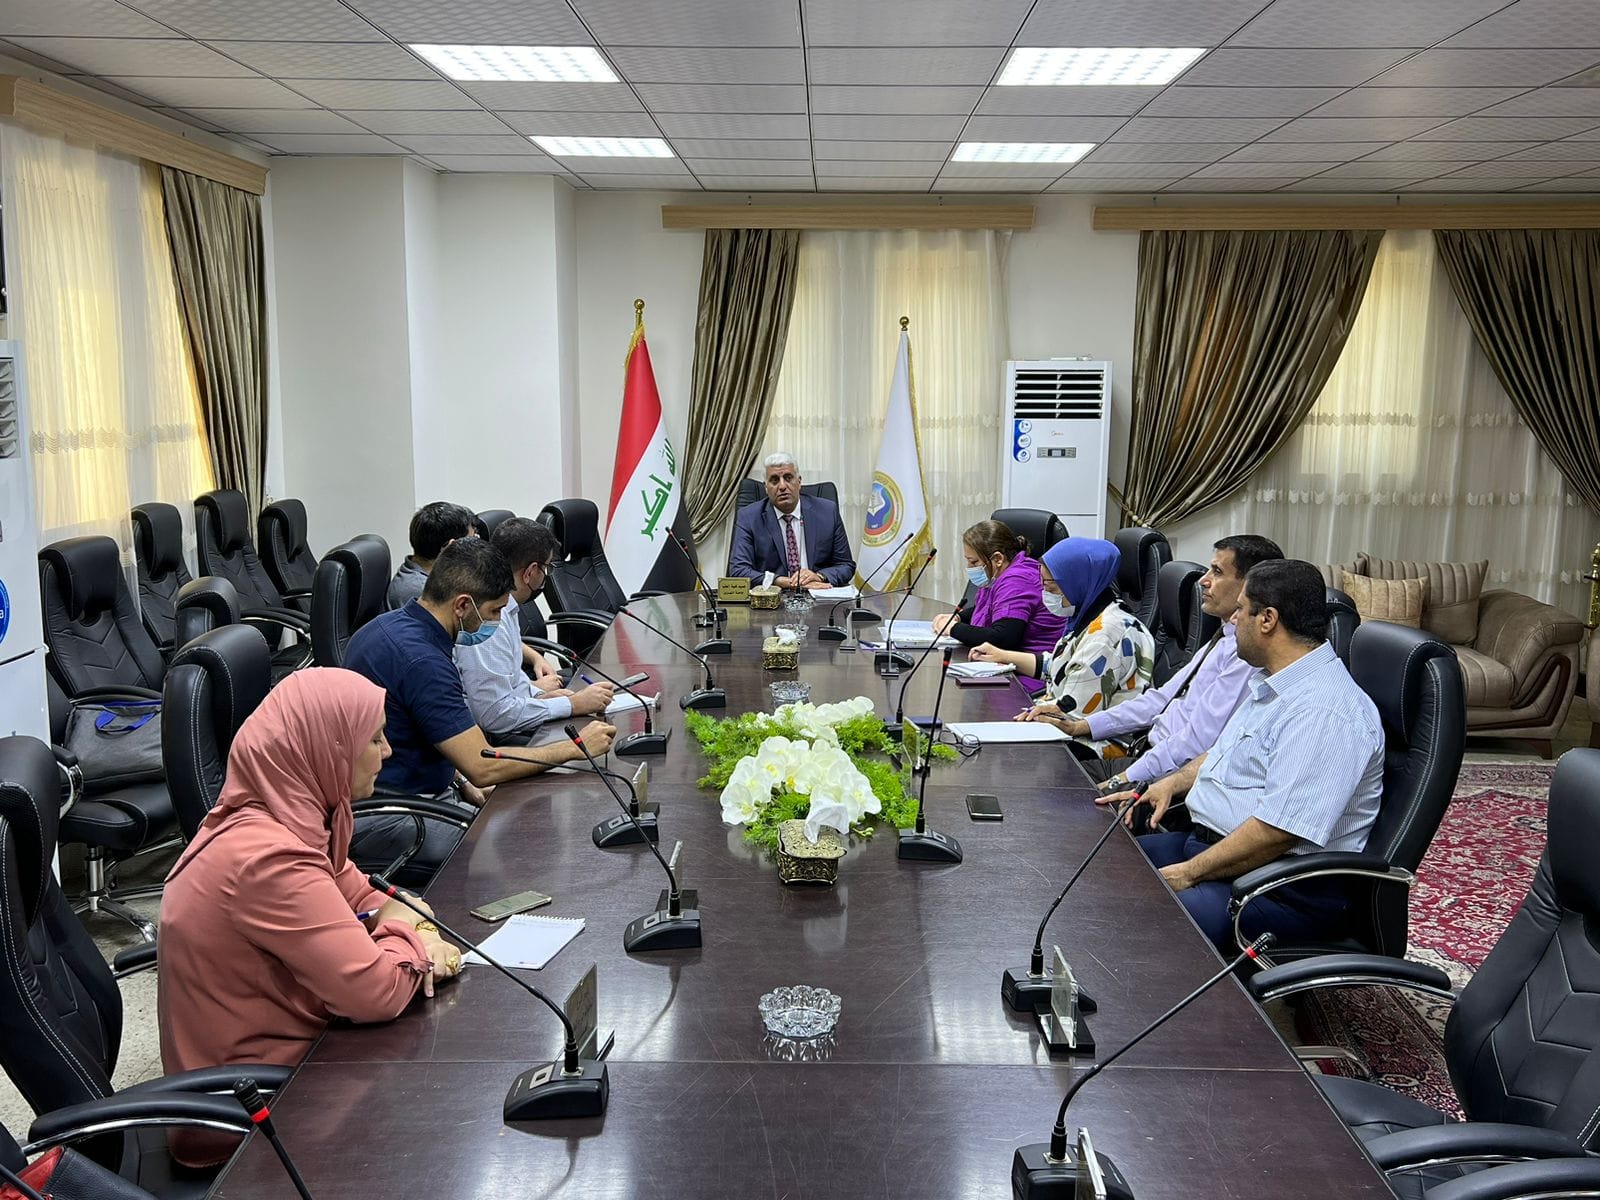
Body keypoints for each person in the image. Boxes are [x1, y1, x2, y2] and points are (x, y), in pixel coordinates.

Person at [157, 668, 463, 1168]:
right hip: (252, 1121)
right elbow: (376, 992)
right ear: (328, 747)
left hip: (298, 1069)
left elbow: (359, 889)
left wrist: (406, 924)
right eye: (374, 738)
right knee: (440, 1135)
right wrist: (416, 940)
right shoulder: (266, 859)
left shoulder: (292, 814)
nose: (387, 752)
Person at [1101, 559, 1384, 951]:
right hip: (1214, 852)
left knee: (1133, 921)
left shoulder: (1324, 711)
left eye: (1240, 610)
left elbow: (1277, 831)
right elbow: (1225, 752)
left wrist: (1189, 873)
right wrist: (1170, 783)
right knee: (1098, 863)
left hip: (1275, 886)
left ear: (1267, 619)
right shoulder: (1273, 681)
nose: (1232, 620)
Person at [344, 537, 616, 882]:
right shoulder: (423, 661)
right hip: (392, 812)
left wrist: (457, 781)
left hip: (409, 793)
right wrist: (575, 749)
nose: (498, 621)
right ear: (462, 606)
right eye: (494, 612)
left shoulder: (388, 627)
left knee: (518, 811)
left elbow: (420, 730)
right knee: (511, 853)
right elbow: (482, 766)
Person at [1050, 535, 1283, 789]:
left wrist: (1124, 778)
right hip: (1148, 756)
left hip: (1169, 778)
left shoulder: (1246, 656)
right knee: (1052, 774)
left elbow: (1198, 742)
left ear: (1250, 586)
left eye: (1217, 572)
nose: (1204, 581)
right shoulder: (1224, 636)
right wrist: (1080, 726)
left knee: (1060, 787)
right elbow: (1160, 699)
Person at [457, 517, 615, 743]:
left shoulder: (506, 606)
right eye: (547, 568)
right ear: (530, 572)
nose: (547, 576)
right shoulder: (487, 618)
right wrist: (572, 705)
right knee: (586, 747)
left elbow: (509, 679)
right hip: (491, 739)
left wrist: (543, 696)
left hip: (508, 722)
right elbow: (494, 717)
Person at [970, 537, 1154, 730]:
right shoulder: (1089, 615)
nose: (1045, 593)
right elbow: (1061, 667)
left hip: (1091, 744)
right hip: (1065, 723)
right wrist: (1002, 656)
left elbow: (1073, 714)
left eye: (1050, 586)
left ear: (1077, 583)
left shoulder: (1106, 636)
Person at [930, 519, 1066, 656]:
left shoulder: (1018, 580)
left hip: (1032, 666)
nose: (969, 568)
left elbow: (1003, 638)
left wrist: (953, 629)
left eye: (974, 562)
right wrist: (958, 617)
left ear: (998, 559)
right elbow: (990, 608)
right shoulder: (1001, 574)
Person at [727, 452, 856, 588]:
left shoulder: (827, 512)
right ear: (766, 487)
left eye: (788, 478)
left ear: (799, 482)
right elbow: (738, 571)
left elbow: (846, 566)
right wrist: (784, 582)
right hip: (773, 598)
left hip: (819, 595)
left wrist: (819, 576)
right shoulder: (749, 517)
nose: (782, 486)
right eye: (774, 480)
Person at [387, 501, 476, 610]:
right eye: (471, 541)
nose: (474, 549)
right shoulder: (422, 592)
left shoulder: (429, 575)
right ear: (451, 547)